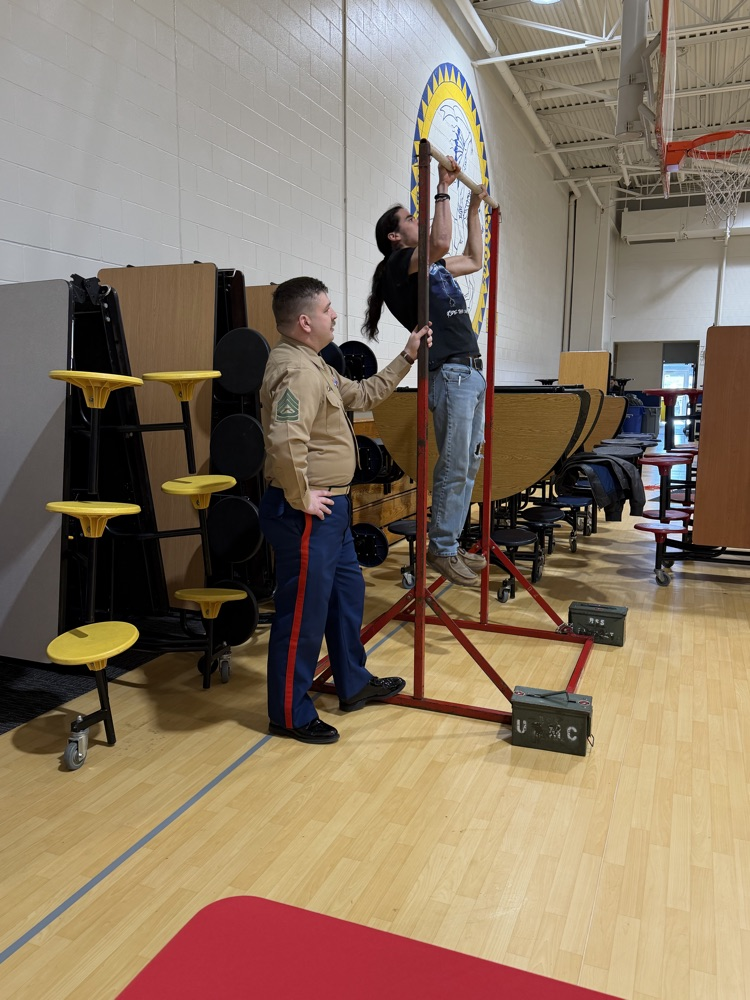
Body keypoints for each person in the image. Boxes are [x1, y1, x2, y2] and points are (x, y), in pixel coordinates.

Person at [259, 276, 432, 745]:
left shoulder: (316, 364)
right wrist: (301, 497)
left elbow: (364, 394)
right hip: (308, 511)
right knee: (302, 616)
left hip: (329, 509)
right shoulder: (296, 371)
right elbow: (285, 439)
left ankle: (352, 684)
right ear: (305, 320)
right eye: (328, 308)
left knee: (345, 597)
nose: (335, 315)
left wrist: (407, 356)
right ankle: (289, 714)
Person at [361, 157, 487, 587]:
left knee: (468, 464)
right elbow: (440, 239)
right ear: (396, 236)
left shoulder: (430, 267)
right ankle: (443, 549)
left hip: (469, 371)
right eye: (410, 218)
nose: (418, 220)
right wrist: (442, 189)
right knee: (454, 465)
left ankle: (450, 544)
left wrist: (473, 208)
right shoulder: (398, 266)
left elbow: (473, 258)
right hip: (449, 373)